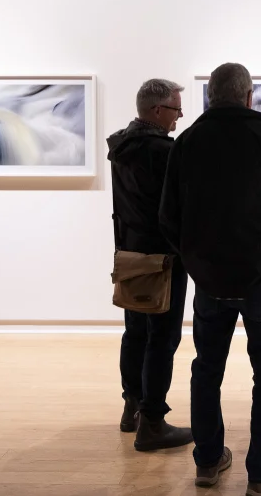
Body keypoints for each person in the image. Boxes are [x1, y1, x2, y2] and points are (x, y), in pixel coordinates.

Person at [160, 63, 261, 496]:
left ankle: (207, 461)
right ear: (248, 97)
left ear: (211, 97)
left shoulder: (187, 141)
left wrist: (194, 259)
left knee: (206, 370)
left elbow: (169, 216)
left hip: (208, 279)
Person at [106, 78, 193, 452]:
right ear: (157, 111)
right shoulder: (164, 152)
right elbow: (175, 209)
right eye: (175, 109)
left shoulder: (121, 146)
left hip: (130, 252)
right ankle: (153, 420)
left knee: (136, 332)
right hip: (163, 257)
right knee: (163, 338)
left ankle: (132, 406)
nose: (180, 116)